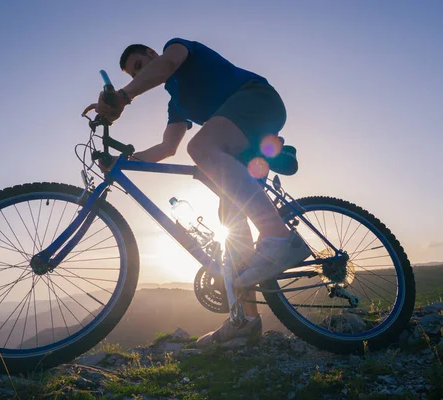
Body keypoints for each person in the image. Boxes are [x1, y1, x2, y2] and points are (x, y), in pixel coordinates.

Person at [86, 38, 311, 345]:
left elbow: (166, 65)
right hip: (240, 133)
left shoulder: (176, 49)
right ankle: (246, 320)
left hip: (257, 100)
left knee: (202, 147)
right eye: (132, 74)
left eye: (139, 66)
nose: (137, 75)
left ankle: (280, 238)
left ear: (152, 54)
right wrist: (122, 162)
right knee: (233, 230)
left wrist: (124, 96)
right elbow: (167, 148)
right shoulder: (176, 103)